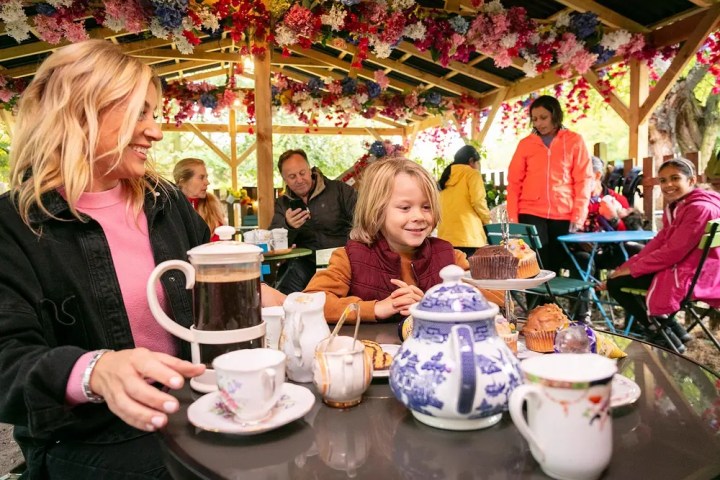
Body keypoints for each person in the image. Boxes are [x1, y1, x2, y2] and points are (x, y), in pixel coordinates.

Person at [0, 40, 211, 478]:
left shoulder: (166, 201)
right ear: (81, 112)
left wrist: (310, 306)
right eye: (141, 113)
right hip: (88, 438)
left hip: (193, 408)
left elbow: (213, 283)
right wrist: (94, 371)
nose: (156, 131)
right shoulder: (12, 225)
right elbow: (7, 361)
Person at [303, 158, 503, 324]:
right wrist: (377, 308)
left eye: (426, 207)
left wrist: (433, 305)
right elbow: (311, 302)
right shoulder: (350, 258)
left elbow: (497, 298)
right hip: (374, 362)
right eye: (405, 208)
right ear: (377, 211)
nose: (419, 216)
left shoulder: (450, 257)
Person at [605, 158, 720, 350]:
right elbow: (660, 241)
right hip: (698, 270)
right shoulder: (682, 204)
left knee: (615, 283)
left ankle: (660, 333)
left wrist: (632, 270)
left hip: (694, 277)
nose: (668, 185)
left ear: (691, 181)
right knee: (627, 275)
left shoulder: (698, 209)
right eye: (663, 180)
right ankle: (678, 334)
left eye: (675, 178)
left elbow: (672, 252)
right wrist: (629, 267)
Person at [507, 95, 593, 273]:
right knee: (533, 264)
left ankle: (553, 302)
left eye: (543, 117)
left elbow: (583, 180)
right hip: (530, 212)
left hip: (563, 214)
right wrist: (513, 218)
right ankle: (537, 302)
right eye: (535, 119)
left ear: (555, 115)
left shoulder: (574, 141)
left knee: (556, 263)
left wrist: (579, 215)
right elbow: (514, 182)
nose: (539, 123)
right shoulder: (525, 145)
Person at [270, 148, 357, 294]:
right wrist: (288, 226)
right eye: (292, 176)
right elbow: (273, 241)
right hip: (307, 263)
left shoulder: (339, 190)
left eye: (302, 173)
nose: (299, 179)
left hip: (343, 260)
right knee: (285, 285)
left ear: (310, 170)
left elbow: (363, 219)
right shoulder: (283, 204)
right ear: (284, 179)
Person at [436, 145, 491, 257]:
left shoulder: (445, 177)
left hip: (445, 236)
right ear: (471, 161)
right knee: (469, 274)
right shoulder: (472, 174)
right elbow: (478, 201)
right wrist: (487, 220)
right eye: (478, 162)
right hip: (469, 236)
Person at [172, 157, 225, 241]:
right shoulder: (170, 207)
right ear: (182, 181)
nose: (207, 182)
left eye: (206, 177)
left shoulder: (212, 205)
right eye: (201, 177)